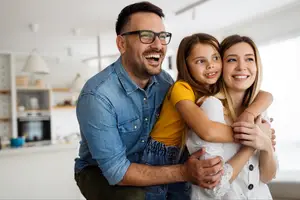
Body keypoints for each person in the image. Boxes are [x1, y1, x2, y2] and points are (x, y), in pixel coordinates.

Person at [74, 2, 226, 200]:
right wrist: (183, 172)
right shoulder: (97, 96)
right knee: (135, 197)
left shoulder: (165, 82)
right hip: (100, 172)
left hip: (152, 163)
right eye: (146, 36)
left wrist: (255, 131)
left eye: (162, 36)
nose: (158, 45)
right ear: (122, 44)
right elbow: (117, 172)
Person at [141, 33, 274, 199]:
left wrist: (257, 128)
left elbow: (266, 95)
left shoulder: (209, 92)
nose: (210, 66)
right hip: (161, 153)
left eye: (215, 58)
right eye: (200, 61)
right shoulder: (184, 90)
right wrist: (252, 136)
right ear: (186, 66)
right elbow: (208, 131)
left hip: (180, 152)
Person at [186, 35, 278, 199]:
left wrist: (265, 145)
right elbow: (214, 186)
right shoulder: (210, 107)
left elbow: (266, 177)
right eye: (232, 60)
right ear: (220, 65)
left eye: (249, 59)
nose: (242, 67)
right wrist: (251, 146)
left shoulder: (258, 109)